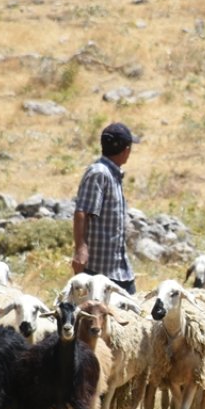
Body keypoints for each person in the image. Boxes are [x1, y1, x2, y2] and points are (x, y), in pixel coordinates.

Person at [72, 122, 138, 294]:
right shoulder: (99, 173)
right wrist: (80, 249)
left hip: (117, 267)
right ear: (126, 150)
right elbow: (82, 212)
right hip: (98, 269)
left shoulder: (112, 174)